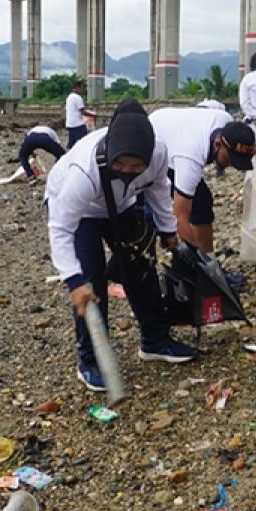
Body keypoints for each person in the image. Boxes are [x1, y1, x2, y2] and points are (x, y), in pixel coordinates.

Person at [45, 100, 195, 391]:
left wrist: (167, 231)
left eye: (135, 166)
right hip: (81, 211)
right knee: (91, 281)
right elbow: (61, 227)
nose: (127, 170)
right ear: (109, 153)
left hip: (121, 204)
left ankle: (155, 340)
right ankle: (89, 360)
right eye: (120, 165)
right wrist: (73, 281)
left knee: (140, 264)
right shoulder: (83, 172)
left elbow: (159, 189)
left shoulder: (158, 154)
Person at [148, 107, 256, 254]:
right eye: (229, 159)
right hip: (153, 147)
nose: (230, 165)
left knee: (202, 202)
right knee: (150, 214)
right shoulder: (190, 159)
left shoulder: (226, 122)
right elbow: (180, 221)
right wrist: (202, 263)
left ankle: (208, 257)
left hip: (172, 127)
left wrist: (250, 149)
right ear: (218, 144)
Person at [64, 79, 95, 149]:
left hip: (70, 124)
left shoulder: (69, 97)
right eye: (82, 88)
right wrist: (93, 115)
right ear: (77, 88)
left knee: (72, 144)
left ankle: (70, 156)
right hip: (78, 124)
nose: (83, 90)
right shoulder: (78, 98)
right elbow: (83, 112)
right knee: (84, 142)